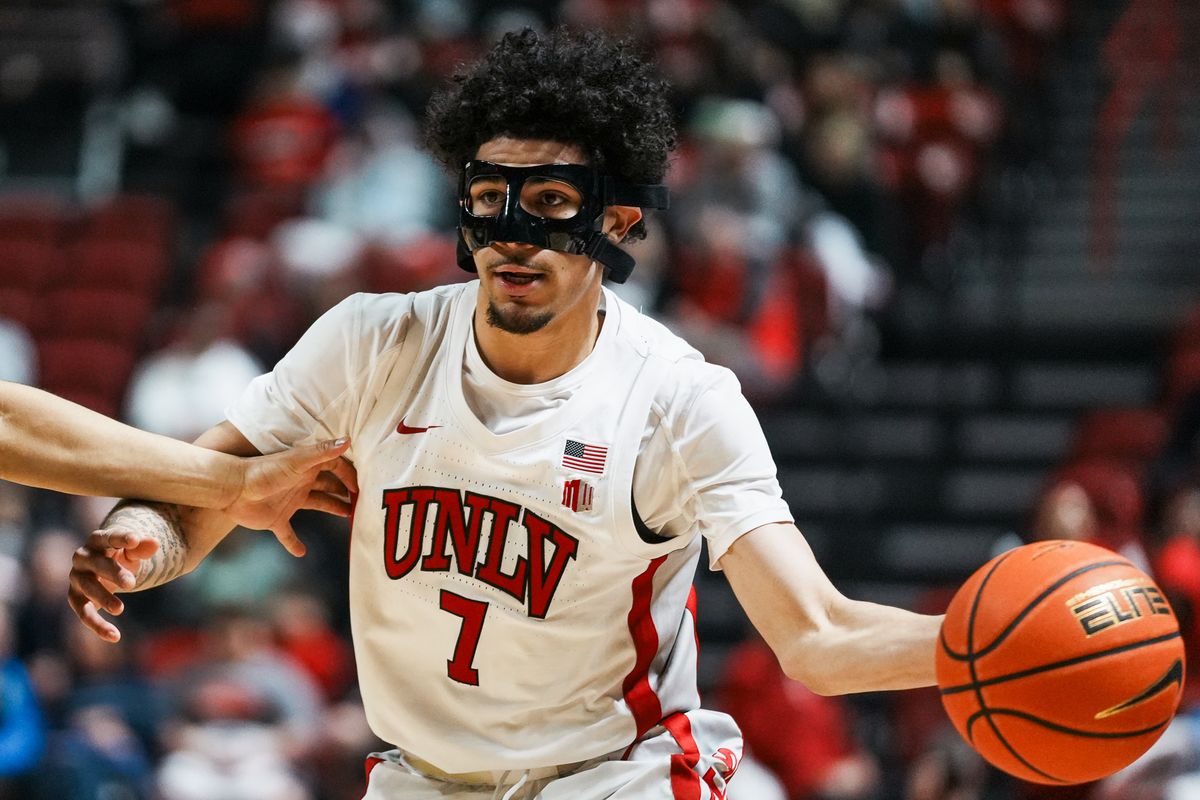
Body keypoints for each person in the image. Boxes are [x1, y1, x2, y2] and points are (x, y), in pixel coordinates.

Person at [68, 28, 941, 798]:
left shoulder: (679, 400)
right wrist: (141, 540)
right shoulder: (372, 343)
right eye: (491, 200)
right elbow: (206, 488)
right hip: (422, 777)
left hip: (615, 777)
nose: (515, 234)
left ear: (617, 221)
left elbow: (816, 636)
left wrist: (977, 645)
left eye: (551, 203)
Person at [0, 380, 355, 640]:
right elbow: (10, 423)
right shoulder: (356, 339)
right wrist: (233, 482)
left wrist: (232, 483)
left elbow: (189, 518)